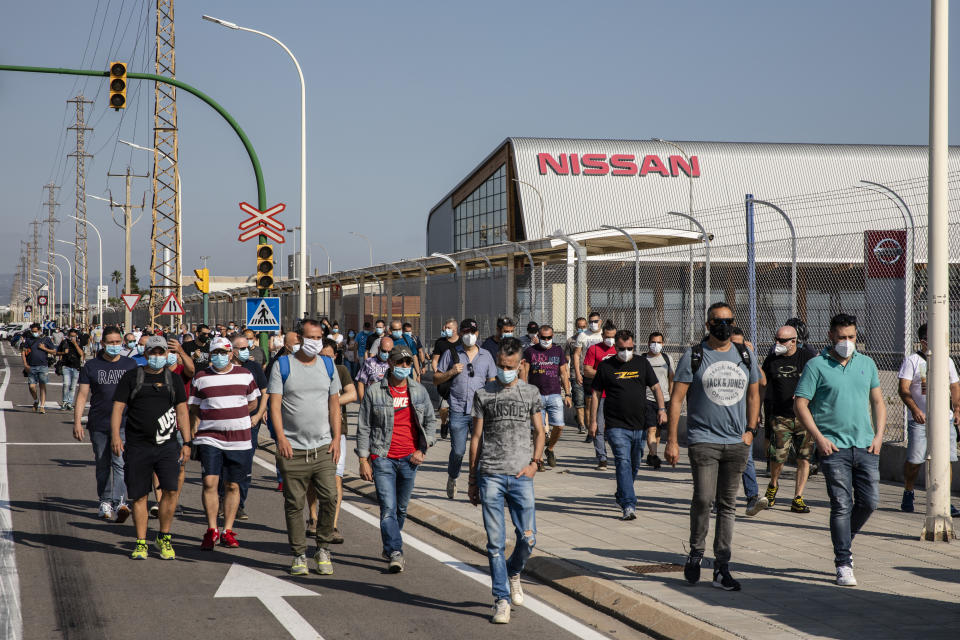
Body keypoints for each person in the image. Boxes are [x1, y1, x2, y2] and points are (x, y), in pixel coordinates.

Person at [665, 301, 760, 592]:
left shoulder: (745, 354)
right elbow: (677, 399)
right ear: (707, 325)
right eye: (718, 321)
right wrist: (671, 440)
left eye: (729, 321)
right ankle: (696, 552)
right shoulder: (694, 355)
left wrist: (750, 432)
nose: (725, 326)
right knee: (704, 499)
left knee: (728, 505)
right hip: (703, 440)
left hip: (736, 443)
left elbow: (755, 394)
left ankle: (722, 566)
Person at [794, 313, 885, 587]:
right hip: (834, 449)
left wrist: (879, 436)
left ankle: (845, 538)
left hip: (867, 446)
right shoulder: (816, 366)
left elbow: (878, 402)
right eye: (842, 337)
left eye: (852, 337)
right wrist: (819, 438)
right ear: (831, 336)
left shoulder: (867, 364)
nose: (847, 342)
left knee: (870, 502)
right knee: (841, 505)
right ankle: (843, 562)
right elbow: (800, 404)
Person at [467, 337, 544, 624]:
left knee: (529, 538)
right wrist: (472, 480)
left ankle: (514, 571)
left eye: (510, 366)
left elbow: (539, 431)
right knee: (495, 543)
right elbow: (475, 438)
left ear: (521, 364)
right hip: (491, 475)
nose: (504, 370)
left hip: (521, 475)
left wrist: (535, 463)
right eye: (501, 365)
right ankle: (501, 599)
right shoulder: (484, 393)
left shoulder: (531, 393)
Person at [268, 319, 342, 576]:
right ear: (300, 338)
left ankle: (323, 547)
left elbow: (334, 404)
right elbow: (275, 405)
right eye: (311, 337)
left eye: (319, 337)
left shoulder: (328, 364)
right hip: (293, 449)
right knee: (294, 503)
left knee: (330, 497)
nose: (316, 342)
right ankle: (299, 554)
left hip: (323, 446)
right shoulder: (283, 365)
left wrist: (337, 438)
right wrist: (281, 438)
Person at [110, 336, 191, 560]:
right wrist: (116, 435)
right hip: (138, 446)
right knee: (139, 496)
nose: (157, 357)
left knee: (170, 491)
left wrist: (187, 441)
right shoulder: (132, 377)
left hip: (167, 446)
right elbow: (118, 408)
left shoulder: (173, 379)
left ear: (167, 355)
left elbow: (182, 411)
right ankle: (141, 542)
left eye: (161, 353)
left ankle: (164, 537)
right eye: (153, 353)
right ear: (145, 354)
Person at [357, 343, 437, 572]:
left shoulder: (419, 391)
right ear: (390, 364)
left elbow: (431, 422)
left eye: (408, 363)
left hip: (410, 459)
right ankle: (395, 550)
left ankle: (390, 543)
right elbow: (363, 427)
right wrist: (364, 459)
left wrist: (424, 449)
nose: (404, 366)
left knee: (401, 509)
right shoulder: (374, 392)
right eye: (399, 362)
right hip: (383, 457)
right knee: (388, 507)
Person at [189, 337, 260, 550]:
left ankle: (227, 531)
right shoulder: (201, 377)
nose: (220, 356)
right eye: (215, 353)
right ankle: (212, 530)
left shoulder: (245, 375)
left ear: (231, 353)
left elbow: (253, 401)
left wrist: (235, 414)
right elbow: (194, 406)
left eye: (223, 352)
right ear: (210, 355)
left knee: (233, 484)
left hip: (239, 439)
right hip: (210, 437)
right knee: (210, 482)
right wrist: (210, 418)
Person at [591, 330, 666, 519]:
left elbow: (656, 387)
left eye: (630, 348)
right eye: (622, 349)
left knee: (633, 464)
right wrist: (593, 421)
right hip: (616, 425)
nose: (626, 352)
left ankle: (622, 493)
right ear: (615, 347)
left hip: (639, 425)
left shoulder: (642, 363)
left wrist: (662, 409)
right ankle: (629, 505)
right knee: (622, 462)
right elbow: (596, 394)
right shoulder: (606, 366)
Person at [73, 326, 137, 521]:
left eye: (118, 342)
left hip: (125, 424)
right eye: (111, 342)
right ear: (103, 344)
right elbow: (83, 395)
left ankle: (120, 502)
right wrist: (77, 422)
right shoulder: (91, 366)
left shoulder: (130, 365)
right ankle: (105, 500)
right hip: (99, 422)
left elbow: (136, 395)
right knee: (102, 463)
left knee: (120, 463)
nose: (115, 346)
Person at [897, 323, 960, 517]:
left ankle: (944, 499)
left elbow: (955, 386)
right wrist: (915, 409)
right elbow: (903, 389)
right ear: (924, 341)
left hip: (944, 420)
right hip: (921, 420)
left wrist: (957, 409)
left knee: (946, 460)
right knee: (915, 461)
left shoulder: (947, 361)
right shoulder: (913, 361)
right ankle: (909, 491)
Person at [434, 318, 497, 499]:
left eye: (472, 332)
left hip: (480, 412)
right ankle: (453, 477)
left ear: (477, 334)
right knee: (459, 451)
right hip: (458, 409)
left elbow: (492, 382)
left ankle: (475, 484)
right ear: (460, 333)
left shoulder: (486, 356)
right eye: (466, 332)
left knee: (480, 450)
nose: (469, 336)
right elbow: (437, 378)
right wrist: (451, 372)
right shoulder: (451, 353)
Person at [759, 324, 816, 514]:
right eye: (776, 339)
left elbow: (819, 382)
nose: (778, 343)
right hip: (780, 416)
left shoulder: (806, 359)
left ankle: (798, 497)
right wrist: (760, 410)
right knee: (778, 456)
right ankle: (773, 485)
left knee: (804, 457)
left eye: (782, 340)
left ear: (794, 341)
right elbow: (763, 386)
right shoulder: (772, 360)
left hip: (804, 417)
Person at [229, 333, 269, 521]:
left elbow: (264, 392)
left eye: (248, 347)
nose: (246, 351)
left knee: (245, 464)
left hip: (250, 422)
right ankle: (224, 498)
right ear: (233, 350)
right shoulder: (223, 369)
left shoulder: (253, 367)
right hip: (227, 424)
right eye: (242, 348)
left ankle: (239, 504)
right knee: (225, 464)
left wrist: (259, 414)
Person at [521, 324, 571, 469]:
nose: (546, 340)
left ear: (552, 336)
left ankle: (549, 449)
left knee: (560, 426)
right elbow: (525, 372)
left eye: (549, 337)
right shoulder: (530, 351)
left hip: (555, 393)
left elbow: (563, 373)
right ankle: (538, 459)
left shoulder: (558, 351)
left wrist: (567, 394)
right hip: (536, 395)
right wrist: (525, 391)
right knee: (539, 429)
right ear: (538, 336)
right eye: (543, 337)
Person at [730, 327, 764, 515]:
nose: (737, 346)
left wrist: (751, 356)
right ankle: (719, 499)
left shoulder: (746, 358)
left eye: (740, 343)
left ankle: (752, 497)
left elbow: (763, 382)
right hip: (723, 419)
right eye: (734, 343)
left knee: (747, 459)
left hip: (743, 420)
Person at [584, 321, 617, 469]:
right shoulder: (594, 349)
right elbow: (587, 370)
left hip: (617, 395)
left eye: (613, 337)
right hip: (600, 395)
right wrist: (605, 375)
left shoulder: (620, 349)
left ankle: (620, 456)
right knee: (599, 427)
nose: (610, 339)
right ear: (602, 336)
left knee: (616, 429)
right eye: (608, 336)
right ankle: (602, 458)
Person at [644, 332, 674, 470]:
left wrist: (673, 398)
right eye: (653, 342)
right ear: (648, 343)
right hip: (647, 398)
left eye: (658, 342)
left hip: (665, 399)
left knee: (658, 431)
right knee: (651, 428)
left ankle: (651, 455)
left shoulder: (667, 359)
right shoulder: (643, 359)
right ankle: (655, 455)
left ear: (663, 343)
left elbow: (671, 379)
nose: (655, 345)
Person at [574, 312, 604, 443]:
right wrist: (577, 372)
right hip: (588, 373)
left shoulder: (606, 334)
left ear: (600, 321)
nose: (593, 323)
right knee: (589, 402)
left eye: (596, 321)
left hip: (604, 373)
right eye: (591, 321)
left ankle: (603, 430)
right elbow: (576, 355)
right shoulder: (583, 335)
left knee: (605, 402)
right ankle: (590, 431)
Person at [431, 318, 461, 440]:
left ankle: (454, 427)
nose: (446, 330)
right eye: (445, 328)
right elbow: (435, 360)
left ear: (455, 329)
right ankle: (444, 423)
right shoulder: (440, 343)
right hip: (444, 378)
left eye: (448, 328)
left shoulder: (461, 343)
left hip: (458, 379)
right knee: (443, 408)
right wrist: (437, 374)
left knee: (454, 408)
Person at [21, 322, 56, 413]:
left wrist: (44, 349)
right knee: (32, 386)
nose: (34, 333)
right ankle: (36, 400)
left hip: (43, 366)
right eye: (32, 331)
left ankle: (42, 406)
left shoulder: (46, 339)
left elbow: (54, 351)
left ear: (40, 331)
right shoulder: (29, 340)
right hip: (31, 366)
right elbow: (23, 352)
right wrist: (25, 364)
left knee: (42, 386)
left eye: (35, 331)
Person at [565, 317, 588, 434]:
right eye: (579, 327)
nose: (581, 329)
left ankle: (581, 420)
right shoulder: (571, 341)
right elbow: (567, 358)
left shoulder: (590, 339)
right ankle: (582, 425)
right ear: (576, 327)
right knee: (579, 400)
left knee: (587, 400)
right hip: (576, 373)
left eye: (584, 327)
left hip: (589, 373)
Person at [356, 336, 393, 402]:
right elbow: (361, 382)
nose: (386, 354)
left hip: (389, 401)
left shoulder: (395, 363)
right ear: (378, 349)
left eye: (389, 352)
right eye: (384, 351)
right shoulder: (369, 362)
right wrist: (363, 403)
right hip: (372, 400)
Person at [57, 328, 84, 411]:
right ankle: (65, 401)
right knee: (66, 384)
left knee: (73, 386)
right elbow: (57, 352)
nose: (72, 338)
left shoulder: (79, 343)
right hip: (66, 366)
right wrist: (63, 353)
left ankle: (70, 403)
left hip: (76, 367)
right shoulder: (64, 342)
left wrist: (75, 344)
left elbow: (81, 354)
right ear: (68, 336)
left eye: (74, 336)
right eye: (71, 336)